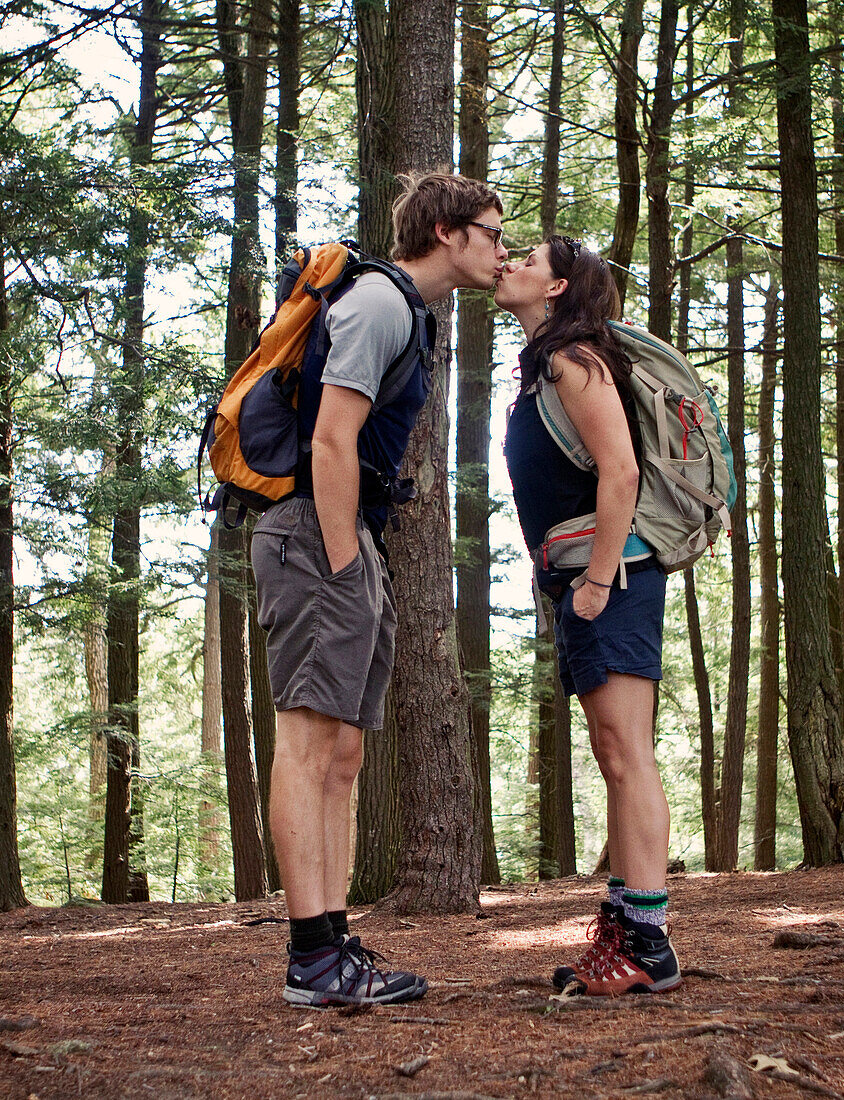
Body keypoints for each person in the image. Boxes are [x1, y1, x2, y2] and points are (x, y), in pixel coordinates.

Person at [251, 173, 508, 1007]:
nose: (502, 249)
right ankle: (310, 957)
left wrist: (357, 552)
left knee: (344, 752)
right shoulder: (380, 303)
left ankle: (330, 941)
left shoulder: (404, 310)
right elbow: (331, 440)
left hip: (343, 533)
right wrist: (340, 561)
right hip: (314, 533)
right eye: (492, 232)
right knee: (309, 743)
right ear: (445, 231)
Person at [495, 235, 682, 997]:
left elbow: (622, 470)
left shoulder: (575, 360)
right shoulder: (547, 367)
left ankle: (648, 942)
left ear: (558, 286)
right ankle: (624, 923)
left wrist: (600, 581)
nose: (509, 263)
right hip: (584, 577)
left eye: (527, 259)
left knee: (625, 749)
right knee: (614, 749)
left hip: (614, 575)